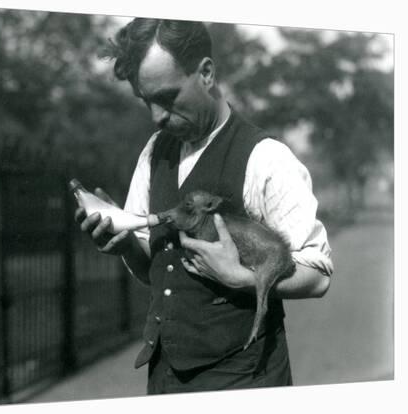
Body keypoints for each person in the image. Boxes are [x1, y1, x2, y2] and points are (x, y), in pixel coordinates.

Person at [74, 18, 333, 394]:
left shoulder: (266, 158)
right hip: (164, 376)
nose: (156, 116)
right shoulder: (155, 152)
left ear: (206, 73)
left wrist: (242, 279)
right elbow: (159, 271)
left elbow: (319, 274)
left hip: (244, 379)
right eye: (146, 101)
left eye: (166, 97)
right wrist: (125, 242)